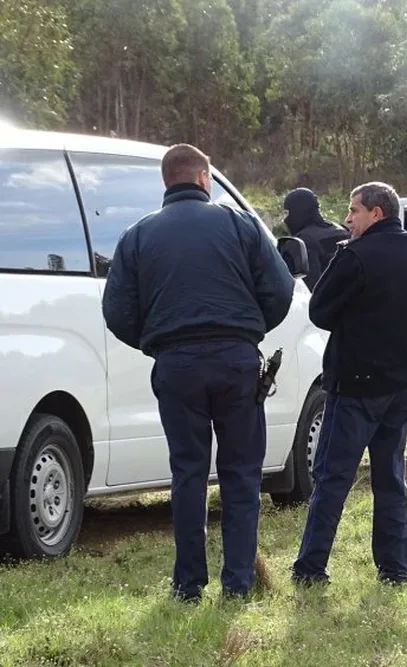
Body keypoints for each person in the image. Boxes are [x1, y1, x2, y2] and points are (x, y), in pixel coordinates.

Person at [101, 143, 295, 602]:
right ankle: (239, 583)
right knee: (241, 473)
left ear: (167, 182)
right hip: (237, 362)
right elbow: (282, 290)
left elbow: (116, 311)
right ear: (205, 179)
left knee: (187, 473)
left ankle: (188, 585)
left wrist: (156, 343)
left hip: (176, 366)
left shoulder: (137, 235)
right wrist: (247, 333)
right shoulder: (240, 223)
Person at [292, 181, 407, 587]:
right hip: (403, 381)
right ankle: (395, 568)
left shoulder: (355, 256)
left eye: (354, 211)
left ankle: (311, 568)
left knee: (332, 476)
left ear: (377, 212)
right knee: (390, 477)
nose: (347, 219)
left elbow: (320, 310)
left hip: (357, 384)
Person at [282, 187, 350, 290]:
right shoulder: (341, 230)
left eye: (287, 213)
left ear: (297, 211)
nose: (284, 219)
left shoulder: (303, 241)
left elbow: (310, 287)